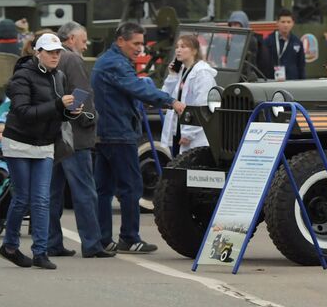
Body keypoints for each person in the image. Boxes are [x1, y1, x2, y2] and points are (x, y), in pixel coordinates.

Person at [91, 22, 183, 255]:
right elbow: (136, 88)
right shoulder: (116, 64)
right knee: (131, 186)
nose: (140, 49)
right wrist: (170, 101)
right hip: (118, 133)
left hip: (104, 132)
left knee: (103, 189)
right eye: (136, 43)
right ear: (121, 40)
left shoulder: (107, 60)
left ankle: (103, 238)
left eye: (142, 44)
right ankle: (129, 238)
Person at [0, 32, 75, 270]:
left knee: (42, 200)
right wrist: (58, 105)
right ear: (37, 53)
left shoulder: (59, 76)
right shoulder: (22, 77)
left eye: (58, 52)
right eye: (50, 52)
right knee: (23, 198)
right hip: (18, 143)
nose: (55, 56)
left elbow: (55, 111)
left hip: (45, 143)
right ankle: (9, 245)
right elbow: (24, 112)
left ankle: (40, 252)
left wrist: (70, 112)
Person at [48, 22, 107, 258]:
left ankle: (52, 242)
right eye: (83, 40)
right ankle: (92, 244)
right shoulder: (72, 59)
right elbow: (82, 95)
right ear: (71, 39)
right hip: (74, 136)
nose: (86, 44)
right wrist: (90, 121)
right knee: (84, 191)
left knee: (52, 193)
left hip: (52, 135)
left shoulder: (50, 57)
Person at [159, 34, 216, 157]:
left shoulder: (202, 74)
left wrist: (189, 134)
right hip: (179, 129)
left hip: (194, 134)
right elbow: (165, 96)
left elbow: (202, 105)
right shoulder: (181, 71)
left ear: (194, 51)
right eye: (177, 47)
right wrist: (172, 76)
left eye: (183, 47)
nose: (178, 50)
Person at [257, 9, 306, 81]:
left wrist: (303, 82)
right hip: (272, 80)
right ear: (277, 23)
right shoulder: (268, 41)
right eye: (283, 22)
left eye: (288, 22)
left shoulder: (297, 42)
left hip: (292, 81)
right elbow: (263, 63)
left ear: (293, 23)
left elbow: (301, 65)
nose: (286, 25)